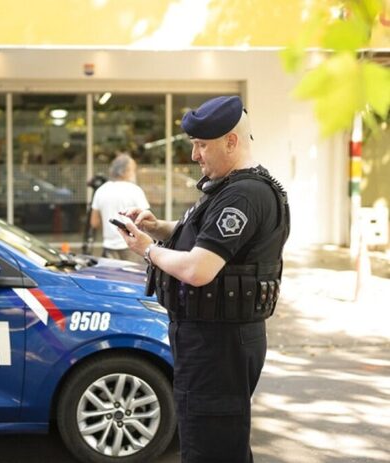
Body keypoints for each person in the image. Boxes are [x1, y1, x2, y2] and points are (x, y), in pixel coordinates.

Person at [117, 96, 290, 463]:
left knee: (209, 449)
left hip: (216, 345)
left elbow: (199, 269)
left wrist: (147, 249)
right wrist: (158, 227)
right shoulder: (234, 187)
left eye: (201, 145)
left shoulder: (242, 195)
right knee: (221, 444)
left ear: (231, 141)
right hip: (218, 340)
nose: (195, 155)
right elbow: (208, 241)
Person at [90, 153, 149, 262]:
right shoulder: (135, 190)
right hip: (133, 247)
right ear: (125, 171)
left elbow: (94, 223)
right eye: (133, 170)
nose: (134, 173)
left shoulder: (101, 190)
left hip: (109, 247)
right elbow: (145, 220)